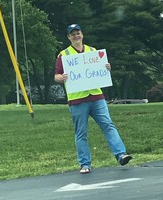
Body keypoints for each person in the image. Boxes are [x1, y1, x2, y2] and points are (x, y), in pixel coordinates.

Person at [54, 24, 132, 174]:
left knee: (108, 125)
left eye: (78, 33)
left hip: (96, 96)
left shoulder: (93, 51)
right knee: (81, 132)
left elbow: (101, 69)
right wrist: (61, 78)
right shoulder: (64, 55)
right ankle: (85, 164)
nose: (76, 36)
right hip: (77, 100)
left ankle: (121, 154)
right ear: (69, 37)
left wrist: (107, 67)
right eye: (73, 34)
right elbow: (56, 76)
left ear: (82, 34)